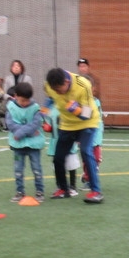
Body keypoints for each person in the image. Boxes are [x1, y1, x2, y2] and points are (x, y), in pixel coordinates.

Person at [43, 67, 104, 203]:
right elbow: (50, 99)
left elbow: (86, 115)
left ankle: (96, 192)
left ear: (66, 81)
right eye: (55, 90)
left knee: (86, 151)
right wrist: (44, 111)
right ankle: (63, 189)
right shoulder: (49, 85)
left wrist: (75, 109)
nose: (58, 92)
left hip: (88, 123)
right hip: (67, 124)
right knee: (58, 157)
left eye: (59, 89)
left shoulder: (83, 85)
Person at [4, 81, 46, 202]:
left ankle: (39, 191)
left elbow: (35, 124)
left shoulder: (35, 108)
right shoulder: (11, 108)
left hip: (34, 145)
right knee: (18, 169)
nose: (25, 103)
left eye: (27, 100)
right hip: (18, 145)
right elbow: (11, 124)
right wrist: (21, 132)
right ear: (16, 96)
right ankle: (19, 192)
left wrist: (20, 133)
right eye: (22, 101)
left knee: (36, 168)